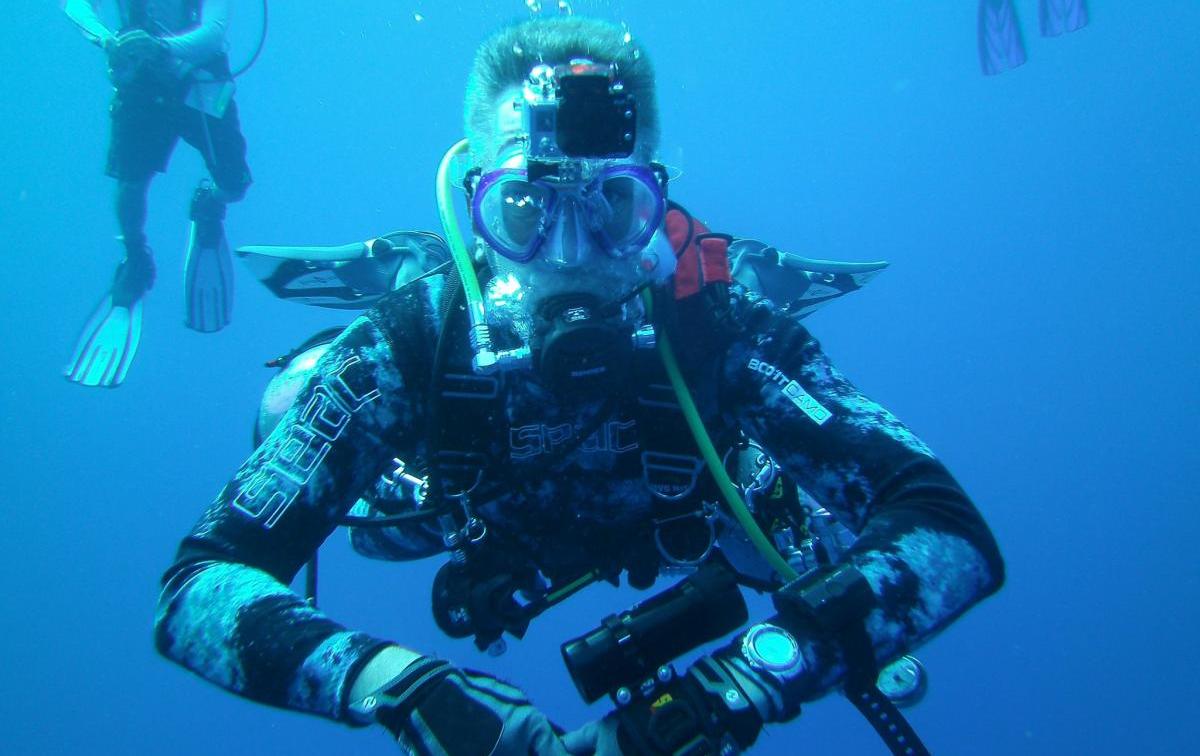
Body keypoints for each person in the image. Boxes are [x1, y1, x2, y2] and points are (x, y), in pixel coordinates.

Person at [155, 17, 1004, 755]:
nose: (568, 255)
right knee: (354, 491)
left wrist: (742, 683)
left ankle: (752, 485)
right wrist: (400, 687)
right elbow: (200, 585)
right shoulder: (412, 340)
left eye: (612, 208)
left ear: (654, 204)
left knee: (782, 534)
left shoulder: (717, 330)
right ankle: (367, 332)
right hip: (467, 510)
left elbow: (946, 528)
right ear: (477, 207)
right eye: (524, 210)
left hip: (683, 511)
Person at [63, 0, 251, 388]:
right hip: (142, 82)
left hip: (199, 80)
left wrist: (161, 47)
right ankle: (135, 258)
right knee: (131, 183)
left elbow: (214, 30)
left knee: (234, 185)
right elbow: (76, 5)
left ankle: (209, 205)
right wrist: (109, 40)